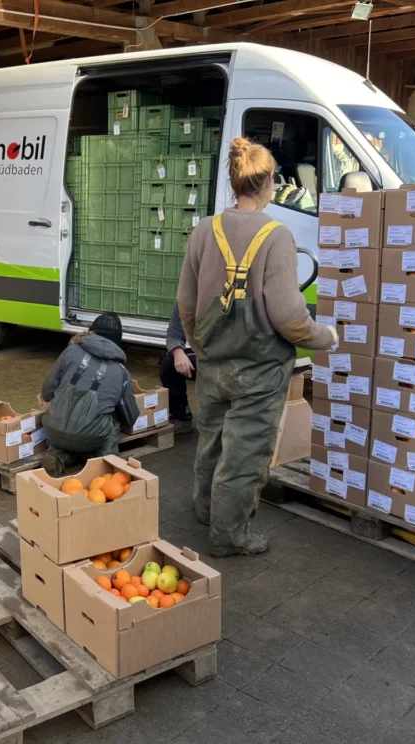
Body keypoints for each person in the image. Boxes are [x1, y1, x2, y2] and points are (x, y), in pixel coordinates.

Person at [178, 137, 337, 557]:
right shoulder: (276, 236)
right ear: (270, 182)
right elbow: (288, 316)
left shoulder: (204, 231)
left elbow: (186, 302)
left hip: (213, 363)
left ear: (234, 181)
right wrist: (325, 338)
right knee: (245, 452)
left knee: (212, 438)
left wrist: (199, 343)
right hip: (260, 369)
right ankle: (230, 535)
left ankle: (205, 508)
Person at [39, 314, 139, 477]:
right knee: (112, 422)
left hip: (53, 429)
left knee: (68, 423)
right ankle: (106, 463)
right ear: (118, 342)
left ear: (91, 332)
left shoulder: (70, 351)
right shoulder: (121, 372)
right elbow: (130, 417)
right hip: (92, 435)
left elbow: (47, 392)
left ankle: (57, 455)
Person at [159, 301, 196, 435]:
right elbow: (174, 334)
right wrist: (178, 352)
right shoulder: (186, 299)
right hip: (202, 354)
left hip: (233, 358)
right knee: (168, 363)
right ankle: (182, 417)